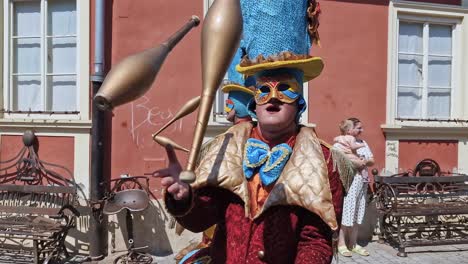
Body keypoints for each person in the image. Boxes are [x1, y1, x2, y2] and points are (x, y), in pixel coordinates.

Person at [154, 1, 346, 263]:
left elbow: (316, 241)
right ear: (254, 102)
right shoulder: (227, 147)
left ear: (300, 102)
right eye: (264, 90)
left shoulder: (323, 161)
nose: (273, 98)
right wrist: (184, 197)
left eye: (286, 89)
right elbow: (203, 219)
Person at [336, 117, 374, 257]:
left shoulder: (363, 143)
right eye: (358, 128)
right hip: (349, 182)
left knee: (358, 213)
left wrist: (365, 161)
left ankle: (353, 243)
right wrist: (358, 161)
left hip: (362, 182)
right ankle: (341, 244)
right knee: (347, 213)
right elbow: (339, 162)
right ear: (349, 129)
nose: (361, 130)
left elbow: (372, 160)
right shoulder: (340, 143)